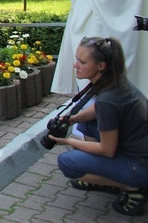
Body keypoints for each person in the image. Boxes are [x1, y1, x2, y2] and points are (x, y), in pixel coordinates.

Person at [49, 36, 148, 216]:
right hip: (138, 150)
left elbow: (107, 150)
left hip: (141, 166)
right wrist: (73, 119)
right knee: (86, 122)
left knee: (67, 163)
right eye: (76, 59)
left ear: (101, 66)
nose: (75, 65)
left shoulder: (108, 100)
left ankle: (134, 187)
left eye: (82, 61)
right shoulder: (115, 80)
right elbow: (97, 109)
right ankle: (108, 175)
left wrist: (66, 141)